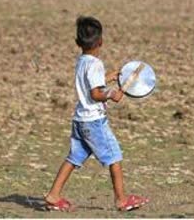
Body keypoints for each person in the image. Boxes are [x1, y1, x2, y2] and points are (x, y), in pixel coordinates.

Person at [44, 16, 149, 212]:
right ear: (100, 41)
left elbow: (91, 81)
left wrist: (110, 77)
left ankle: (53, 195)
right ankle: (121, 200)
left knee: (74, 157)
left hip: (80, 120)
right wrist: (110, 94)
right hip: (94, 122)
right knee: (114, 157)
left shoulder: (82, 61)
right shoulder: (95, 64)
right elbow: (95, 93)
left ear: (78, 43)